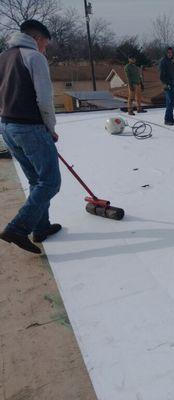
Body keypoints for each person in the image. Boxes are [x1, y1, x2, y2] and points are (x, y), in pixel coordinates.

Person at [0, 20, 61, 254]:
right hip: (30, 128)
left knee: (36, 181)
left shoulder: (3, 57)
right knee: (50, 182)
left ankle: (41, 227)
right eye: (44, 44)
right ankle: (18, 228)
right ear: (36, 39)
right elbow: (44, 99)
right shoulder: (34, 57)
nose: (44, 49)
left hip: (8, 127)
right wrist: (50, 127)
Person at [159, 47, 174, 125]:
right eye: (168, 53)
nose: (170, 54)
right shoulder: (163, 62)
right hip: (168, 85)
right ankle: (167, 119)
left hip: (173, 84)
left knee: (172, 102)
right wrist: (165, 84)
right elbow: (161, 75)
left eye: (171, 52)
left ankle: (171, 118)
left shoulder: (171, 61)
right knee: (169, 102)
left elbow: (173, 73)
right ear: (165, 53)